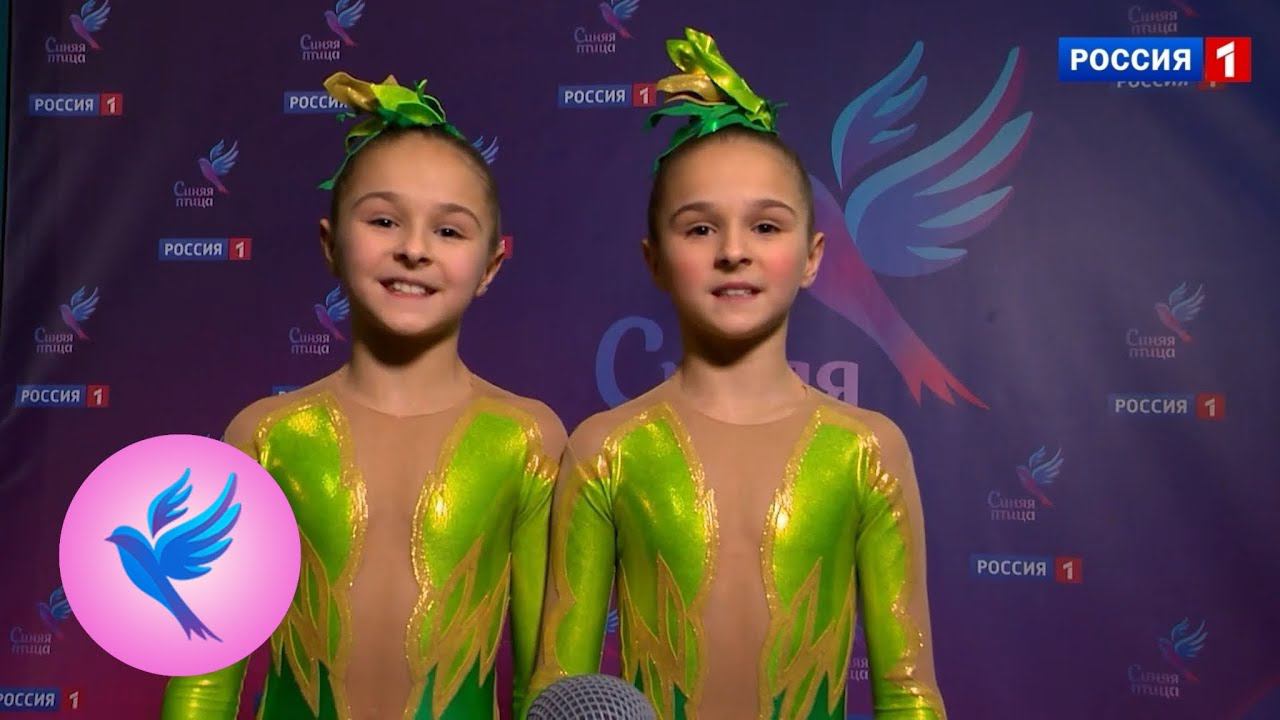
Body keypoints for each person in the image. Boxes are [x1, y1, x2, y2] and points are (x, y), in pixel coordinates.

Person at [531, 29, 947, 720]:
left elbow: (908, 692)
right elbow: (559, 693)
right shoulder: (605, 449)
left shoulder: (867, 450)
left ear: (812, 257)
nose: (733, 251)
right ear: (654, 259)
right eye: (699, 228)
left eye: (766, 227)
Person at [161, 71, 565, 720]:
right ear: (331, 244)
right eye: (383, 220)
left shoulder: (527, 438)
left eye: (449, 231)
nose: (413, 249)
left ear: (490, 266)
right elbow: (204, 681)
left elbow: (544, 684)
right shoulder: (265, 436)